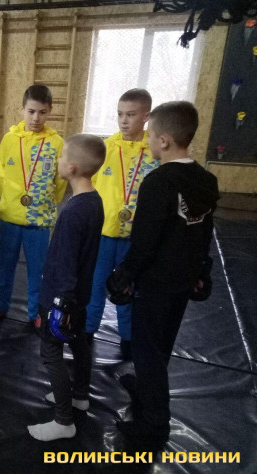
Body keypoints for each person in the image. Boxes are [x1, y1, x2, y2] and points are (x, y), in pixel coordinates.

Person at [108, 102, 219, 440]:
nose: (148, 141)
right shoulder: (206, 179)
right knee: (163, 341)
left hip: (156, 281)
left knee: (147, 349)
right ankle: (146, 386)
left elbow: (145, 241)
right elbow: (204, 231)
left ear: (165, 140)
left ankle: (154, 421)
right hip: (183, 279)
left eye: (151, 135)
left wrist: (124, 275)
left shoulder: (157, 182)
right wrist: (202, 270)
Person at [27, 134, 106, 441]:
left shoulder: (73, 212)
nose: (58, 161)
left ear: (71, 167)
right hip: (80, 294)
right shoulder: (94, 201)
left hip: (62, 296)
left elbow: (67, 260)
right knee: (80, 343)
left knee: (51, 352)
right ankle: (80, 395)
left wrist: (61, 302)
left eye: (61, 157)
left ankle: (63, 420)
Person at [0, 85, 66, 326]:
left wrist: (45, 203)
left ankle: (36, 313)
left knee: (38, 270)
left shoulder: (56, 143)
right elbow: (0, 174)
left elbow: (60, 181)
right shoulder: (10, 139)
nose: (36, 118)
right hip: (10, 217)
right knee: (4, 267)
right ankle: (0, 306)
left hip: (40, 220)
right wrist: (11, 200)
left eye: (42, 112)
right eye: (31, 111)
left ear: (50, 111)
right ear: (22, 109)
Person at [85, 89, 158, 360]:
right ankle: (88, 329)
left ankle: (127, 336)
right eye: (120, 114)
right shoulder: (106, 147)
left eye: (131, 115)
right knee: (95, 286)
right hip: (104, 234)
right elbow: (91, 185)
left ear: (146, 116)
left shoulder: (154, 151)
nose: (123, 120)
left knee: (128, 288)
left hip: (134, 238)